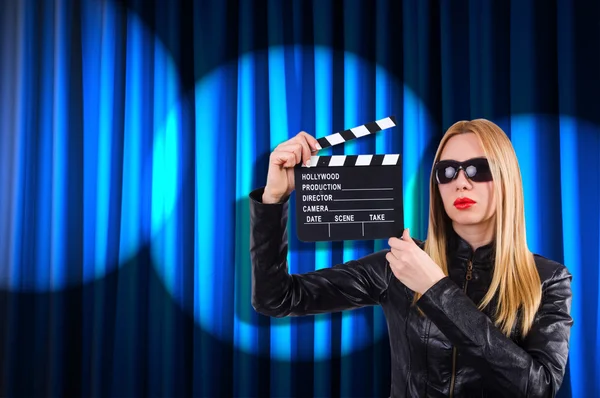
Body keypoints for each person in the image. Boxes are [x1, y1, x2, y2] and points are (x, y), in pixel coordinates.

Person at [249, 119, 573, 397]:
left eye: (478, 168)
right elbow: (277, 298)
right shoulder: (400, 264)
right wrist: (273, 198)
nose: (461, 182)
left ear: (506, 178)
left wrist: (436, 288)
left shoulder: (548, 279)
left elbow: (538, 387)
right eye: (447, 171)